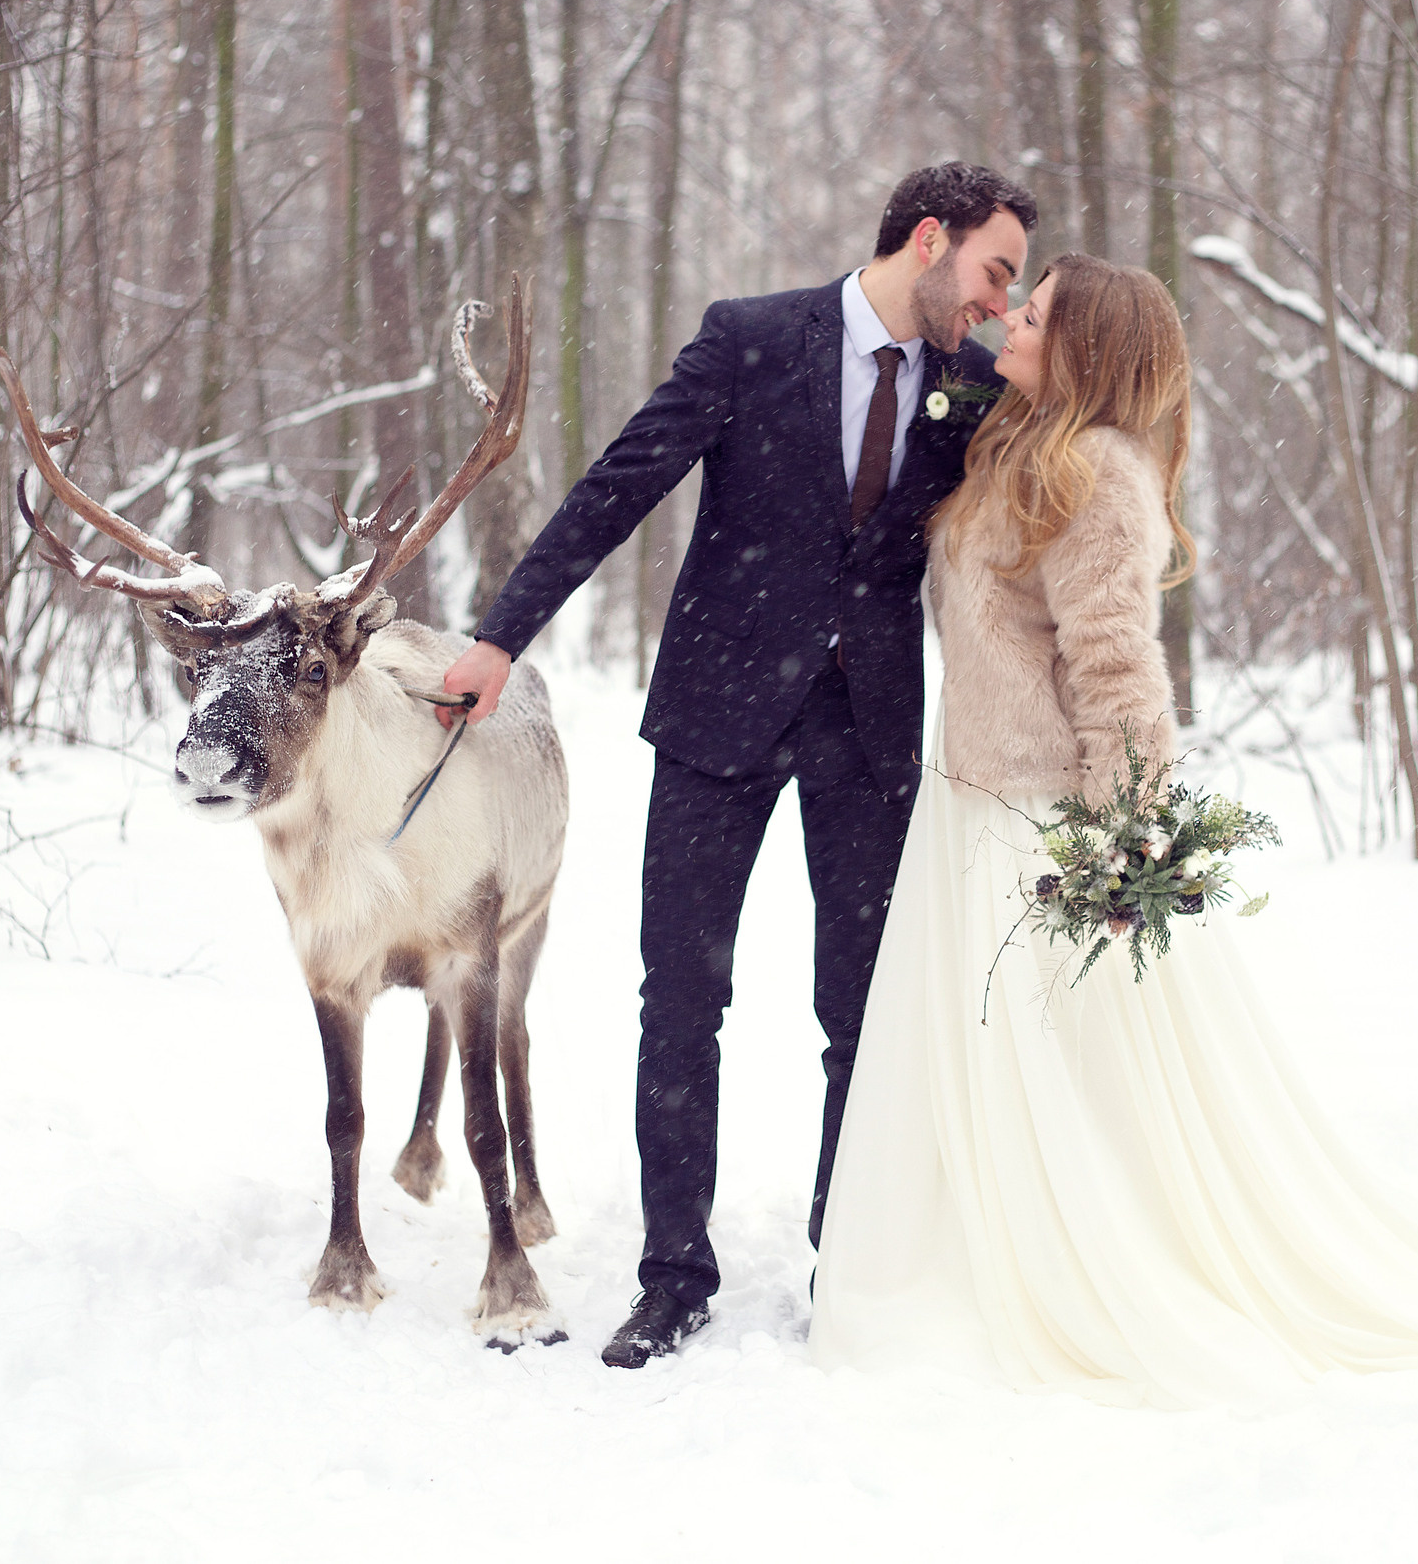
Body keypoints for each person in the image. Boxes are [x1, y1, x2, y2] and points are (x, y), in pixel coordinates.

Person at [809, 254, 1418, 1406]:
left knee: (1058, 1073)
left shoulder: (1100, 474)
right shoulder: (1012, 441)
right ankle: (974, 1257)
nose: (1010, 318)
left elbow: (1119, 672)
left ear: (1081, 352)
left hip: (1042, 821)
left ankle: (1088, 1266)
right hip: (969, 804)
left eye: (1035, 313)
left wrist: (1122, 848)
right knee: (985, 1068)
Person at [441, 162, 1039, 1368]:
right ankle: (673, 1276)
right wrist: (502, 632)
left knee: (860, 1013)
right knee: (682, 997)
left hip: (868, 731)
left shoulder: (975, 388)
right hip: (719, 717)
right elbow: (619, 487)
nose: (996, 300)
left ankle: (849, 1258)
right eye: (993, 271)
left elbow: (1054, 507)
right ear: (928, 239)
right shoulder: (753, 339)